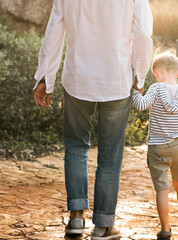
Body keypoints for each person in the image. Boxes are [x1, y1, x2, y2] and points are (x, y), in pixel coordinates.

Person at [32, 0, 153, 239]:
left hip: (78, 79)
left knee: (76, 147)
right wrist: (139, 75)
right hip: (116, 80)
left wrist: (46, 78)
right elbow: (143, 35)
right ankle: (103, 225)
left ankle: (76, 219)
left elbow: (54, 32)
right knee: (110, 156)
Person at [132, 52, 178, 240]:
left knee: (162, 189)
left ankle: (165, 229)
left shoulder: (155, 89)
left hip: (157, 148)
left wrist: (135, 89)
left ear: (156, 73)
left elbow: (140, 105)